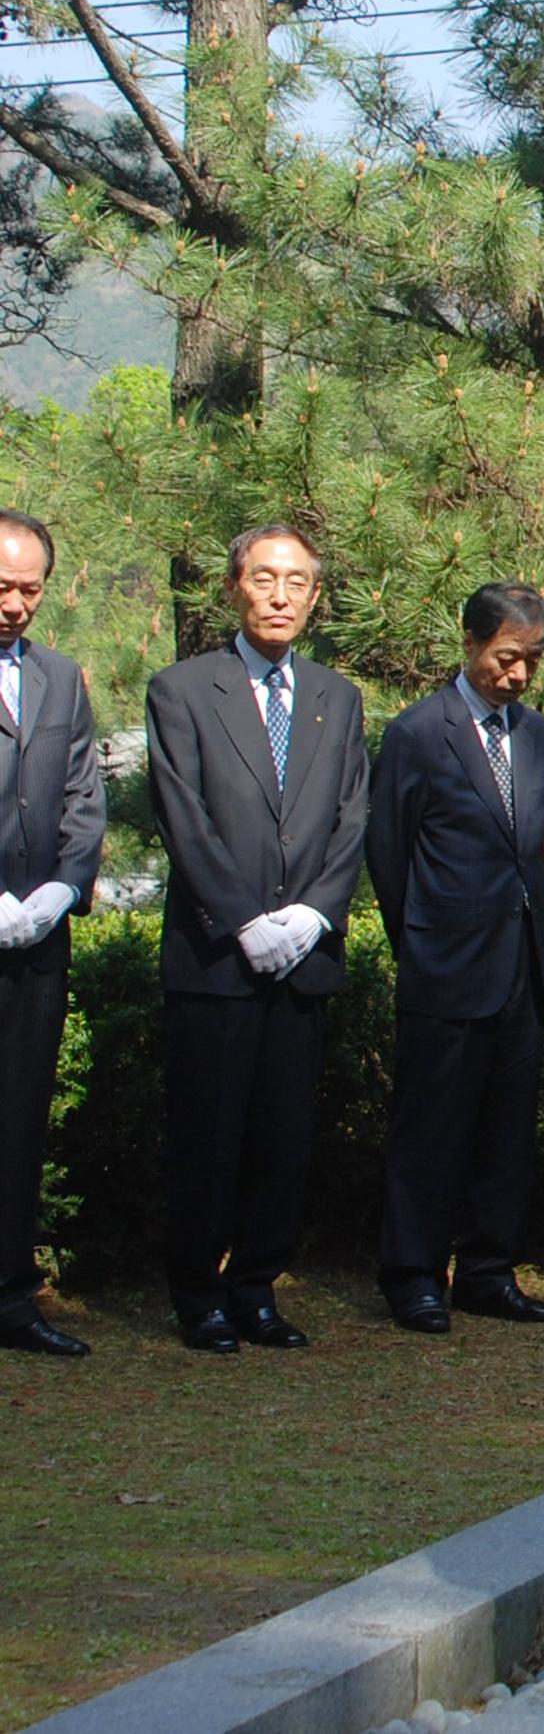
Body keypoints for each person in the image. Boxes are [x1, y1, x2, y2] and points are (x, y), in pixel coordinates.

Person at [144, 523, 368, 1354]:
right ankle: (198, 1293)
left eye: (297, 581)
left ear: (315, 595)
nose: (280, 594)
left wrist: (312, 917)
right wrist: (244, 922)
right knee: (208, 1132)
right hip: (215, 956)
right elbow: (183, 818)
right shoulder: (180, 689)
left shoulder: (335, 696)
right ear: (236, 587)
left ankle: (257, 1289)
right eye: (265, 577)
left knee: (283, 1135)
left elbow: (353, 817)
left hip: (303, 956)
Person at [367, 581, 544, 1335]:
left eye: (530, 663)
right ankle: (413, 1273)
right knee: (430, 1129)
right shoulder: (419, 732)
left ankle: (488, 1269)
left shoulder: (535, 734)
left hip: (519, 963)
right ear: (471, 643)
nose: (515, 676)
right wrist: (419, 942)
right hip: (444, 962)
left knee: (507, 1129)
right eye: (506, 658)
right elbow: (389, 852)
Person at [0, 510, 103, 1359]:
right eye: (1, 586)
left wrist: (64, 888)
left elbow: (81, 798)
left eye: (30, 588)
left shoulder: (62, 679)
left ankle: (12, 1297)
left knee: (19, 1120)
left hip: (36, 944)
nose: (15, 604)